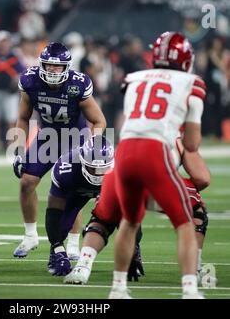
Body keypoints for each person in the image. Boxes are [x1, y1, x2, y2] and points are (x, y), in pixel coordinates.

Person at [108, 31, 205, 299]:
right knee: (185, 222)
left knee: (129, 220)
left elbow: (128, 120)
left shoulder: (133, 78)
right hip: (154, 151)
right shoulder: (191, 83)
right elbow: (193, 143)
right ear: (186, 59)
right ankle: (189, 290)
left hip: (125, 151)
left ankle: (118, 288)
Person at [64, 137, 210, 285]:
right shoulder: (177, 134)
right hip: (156, 180)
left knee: (102, 219)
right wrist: (189, 194)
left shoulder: (133, 124)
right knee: (196, 213)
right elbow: (202, 179)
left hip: (121, 175)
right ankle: (194, 270)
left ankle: (83, 266)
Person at [12, 42, 106, 258]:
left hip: (75, 138)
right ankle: (30, 235)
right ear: (41, 64)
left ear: (67, 67)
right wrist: (19, 150)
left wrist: (92, 146)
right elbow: (23, 118)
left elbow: (99, 120)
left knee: (74, 189)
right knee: (26, 182)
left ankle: (73, 243)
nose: (53, 71)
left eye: (58, 67)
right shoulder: (30, 80)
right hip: (47, 137)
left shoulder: (78, 83)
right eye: (48, 66)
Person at [45, 135, 115, 276]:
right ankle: (57, 253)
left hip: (109, 187)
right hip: (78, 189)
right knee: (62, 223)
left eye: (102, 169)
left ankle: (135, 251)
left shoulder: (121, 168)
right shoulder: (66, 167)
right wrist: (57, 247)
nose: (97, 174)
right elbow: (53, 212)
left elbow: (131, 213)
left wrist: (134, 246)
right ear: (82, 161)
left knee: (122, 215)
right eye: (93, 168)